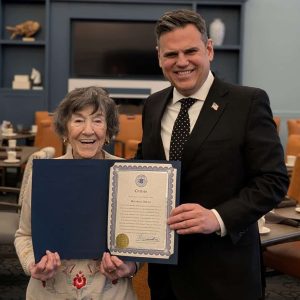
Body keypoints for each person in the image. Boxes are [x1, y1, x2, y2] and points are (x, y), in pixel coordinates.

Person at [135, 9, 289, 300]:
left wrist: (217, 217)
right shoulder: (153, 105)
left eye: (190, 51)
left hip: (225, 273)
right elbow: (145, 168)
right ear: (159, 57)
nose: (181, 62)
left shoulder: (248, 102)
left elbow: (273, 181)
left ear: (208, 49)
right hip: (165, 273)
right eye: (171, 54)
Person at [15, 86, 138, 299]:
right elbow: (24, 235)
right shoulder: (43, 174)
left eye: (98, 120)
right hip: (51, 291)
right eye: (78, 120)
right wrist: (32, 264)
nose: (88, 130)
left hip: (109, 293)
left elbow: (140, 241)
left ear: (108, 131)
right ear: (65, 130)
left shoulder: (128, 175)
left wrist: (131, 266)